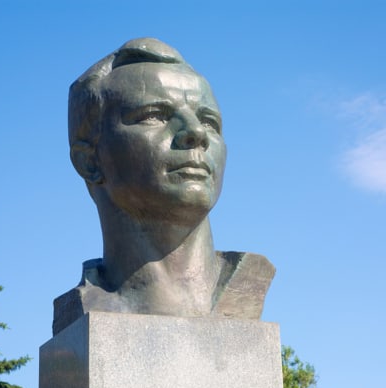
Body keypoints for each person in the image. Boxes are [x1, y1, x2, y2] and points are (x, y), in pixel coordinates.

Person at [53, 38, 275, 336]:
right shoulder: (81, 312)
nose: (196, 133)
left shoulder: (246, 288)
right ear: (89, 160)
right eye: (154, 115)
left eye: (209, 121)